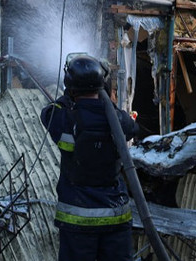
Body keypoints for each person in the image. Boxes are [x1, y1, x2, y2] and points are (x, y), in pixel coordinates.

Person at [41, 54, 137, 261]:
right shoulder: (117, 118)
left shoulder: (63, 117)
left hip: (77, 219)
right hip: (115, 216)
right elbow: (132, 127)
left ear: (70, 85)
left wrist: (67, 97)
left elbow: (47, 113)